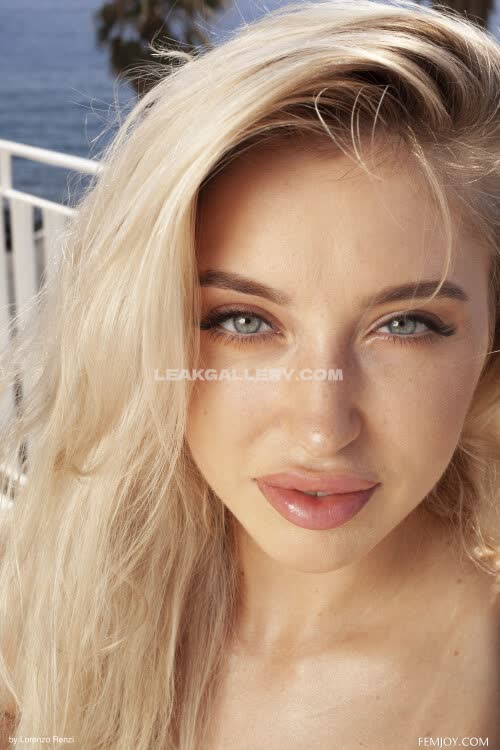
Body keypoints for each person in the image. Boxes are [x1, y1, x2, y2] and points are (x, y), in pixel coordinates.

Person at [0, 1, 498, 748]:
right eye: (242, 321)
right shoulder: (51, 588)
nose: (322, 429)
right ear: (147, 325)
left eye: (406, 325)